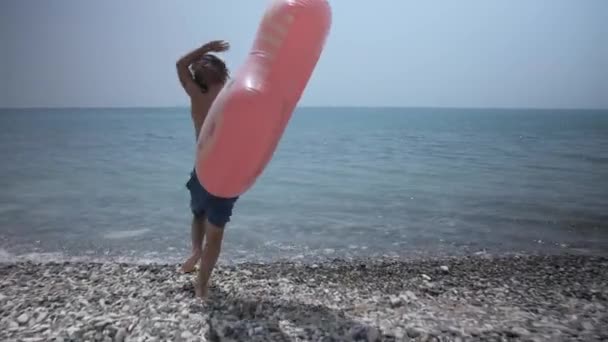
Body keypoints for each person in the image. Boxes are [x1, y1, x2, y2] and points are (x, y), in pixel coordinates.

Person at [176, 39, 238, 299]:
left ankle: (195, 252)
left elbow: (181, 64)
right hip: (229, 171)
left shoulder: (196, 93)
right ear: (222, 73)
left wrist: (204, 48)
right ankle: (202, 284)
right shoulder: (233, 93)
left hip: (204, 168)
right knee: (214, 233)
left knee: (199, 215)